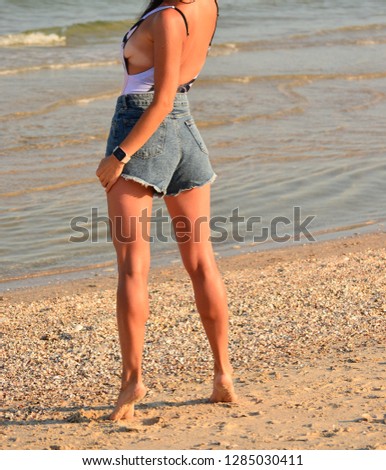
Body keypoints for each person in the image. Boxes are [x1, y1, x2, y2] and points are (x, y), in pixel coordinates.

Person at [96, 0, 237, 422]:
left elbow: (160, 99)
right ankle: (223, 375)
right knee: (201, 262)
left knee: (133, 267)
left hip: (142, 128)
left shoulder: (167, 17)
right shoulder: (206, 6)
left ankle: (132, 380)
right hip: (186, 132)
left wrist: (119, 155)